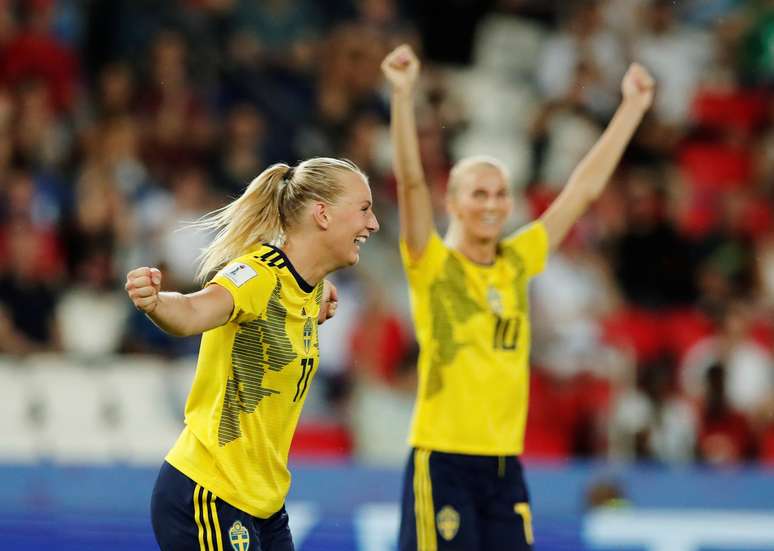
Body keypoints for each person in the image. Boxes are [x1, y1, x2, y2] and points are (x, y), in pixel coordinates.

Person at [382, 44, 654, 551]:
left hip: (505, 464)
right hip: (444, 460)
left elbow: (584, 189)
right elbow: (411, 182)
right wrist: (403, 97)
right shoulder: (434, 264)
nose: (492, 205)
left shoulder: (517, 259)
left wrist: (631, 108)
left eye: (500, 193)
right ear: (454, 202)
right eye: (478, 193)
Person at [125, 157, 379, 551]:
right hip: (210, 491)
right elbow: (194, 310)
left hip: (263, 504)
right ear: (323, 214)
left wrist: (319, 301)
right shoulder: (257, 274)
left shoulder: (312, 290)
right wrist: (156, 302)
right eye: (364, 209)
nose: (373, 223)